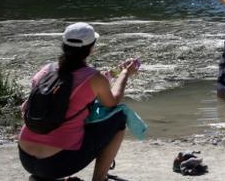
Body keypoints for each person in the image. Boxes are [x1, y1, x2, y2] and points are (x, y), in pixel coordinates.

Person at [19, 23, 139, 181]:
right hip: (57, 163)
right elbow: (113, 102)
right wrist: (124, 74)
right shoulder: (94, 78)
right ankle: (100, 178)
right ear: (91, 48)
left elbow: (24, 108)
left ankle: (44, 177)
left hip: (26, 158)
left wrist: (107, 76)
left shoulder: (46, 70)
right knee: (119, 117)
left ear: (64, 45)